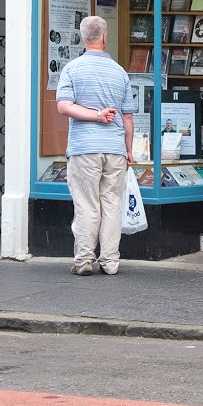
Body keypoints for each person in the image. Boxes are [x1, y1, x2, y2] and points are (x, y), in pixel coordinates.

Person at [55, 16, 135, 277]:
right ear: (105, 36)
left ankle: (84, 260)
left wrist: (94, 115)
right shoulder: (120, 72)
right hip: (114, 149)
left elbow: (64, 105)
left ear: (81, 37)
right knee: (111, 204)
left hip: (84, 148)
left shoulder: (72, 69)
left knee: (87, 205)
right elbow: (127, 117)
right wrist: (129, 149)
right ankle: (110, 262)